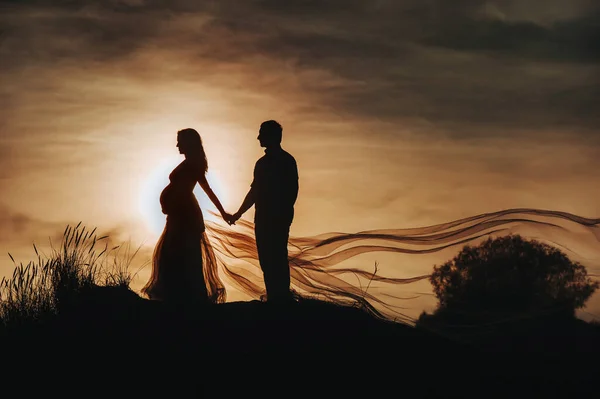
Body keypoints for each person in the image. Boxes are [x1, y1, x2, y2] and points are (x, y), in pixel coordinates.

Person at [142, 128, 232, 306]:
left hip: (185, 216)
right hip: (179, 214)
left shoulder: (193, 164)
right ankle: (178, 297)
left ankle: (185, 299)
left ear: (188, 143)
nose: (177, 144)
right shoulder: (190, 163)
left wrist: (222, 213)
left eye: (180, 141)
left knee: (180, 253)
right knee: (174, 253)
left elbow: (208, 190)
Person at [230, 120, 299, 303]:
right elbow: (255, 192)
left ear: (272, 136)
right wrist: (238, 213)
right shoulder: (262, 163)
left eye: (262, 133)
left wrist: (282, 214)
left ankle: (280, 299)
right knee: (267, 260)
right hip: (263, 219)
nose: (258, 137)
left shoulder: (286, 161)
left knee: (277, 257)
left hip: (276, 219)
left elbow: (292, 191)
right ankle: (274, 297)